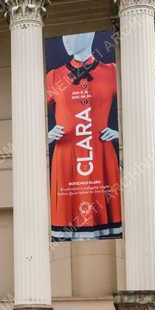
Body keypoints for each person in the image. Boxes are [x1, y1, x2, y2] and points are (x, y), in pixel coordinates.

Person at [45, 31, 122, 241]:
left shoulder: (112, 72)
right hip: (66, 159)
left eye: (72, 36)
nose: (66, 40)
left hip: (100, 157)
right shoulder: (53, 77)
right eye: (64, 37)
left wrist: (119, 133)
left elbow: (135, 109)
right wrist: (47, 136)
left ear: (89, 36)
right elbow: (29, 118)